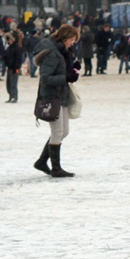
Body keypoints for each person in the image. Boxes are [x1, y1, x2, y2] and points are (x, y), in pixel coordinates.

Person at [32, 24, 81, 177]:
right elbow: (46, 78)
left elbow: (59, 70)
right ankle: (55, 168)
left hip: (62, 95)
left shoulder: (62, 51)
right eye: (72, 40)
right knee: (58, 131)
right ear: (65, 38)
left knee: (64, 131)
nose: (72, 43)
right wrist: (66, 77)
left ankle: (41, 161)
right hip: (52, 96)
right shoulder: (52, 53)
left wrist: (72, 68)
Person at [3, 32, 22, 102]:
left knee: (13, 83)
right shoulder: (9, 48)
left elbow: (18, 59)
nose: (9, 42)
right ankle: (11, 96)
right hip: (9, 67)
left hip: (14, 68)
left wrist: (16, 67)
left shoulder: (17, 48)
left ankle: (14, 96)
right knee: (9, 83)